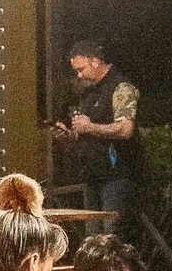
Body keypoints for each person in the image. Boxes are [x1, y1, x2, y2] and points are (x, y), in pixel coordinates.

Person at [49, 41, 144, 218]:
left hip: (117, 176)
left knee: (111, 235)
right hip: (93, 176)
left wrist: (90, 127)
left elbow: (125, 129)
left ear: (95, 61)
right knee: (93, 237)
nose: (79, 75)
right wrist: (68, 136)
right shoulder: (89, 93)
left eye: (81, 69)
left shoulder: (121, 87)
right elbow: (85, 135)